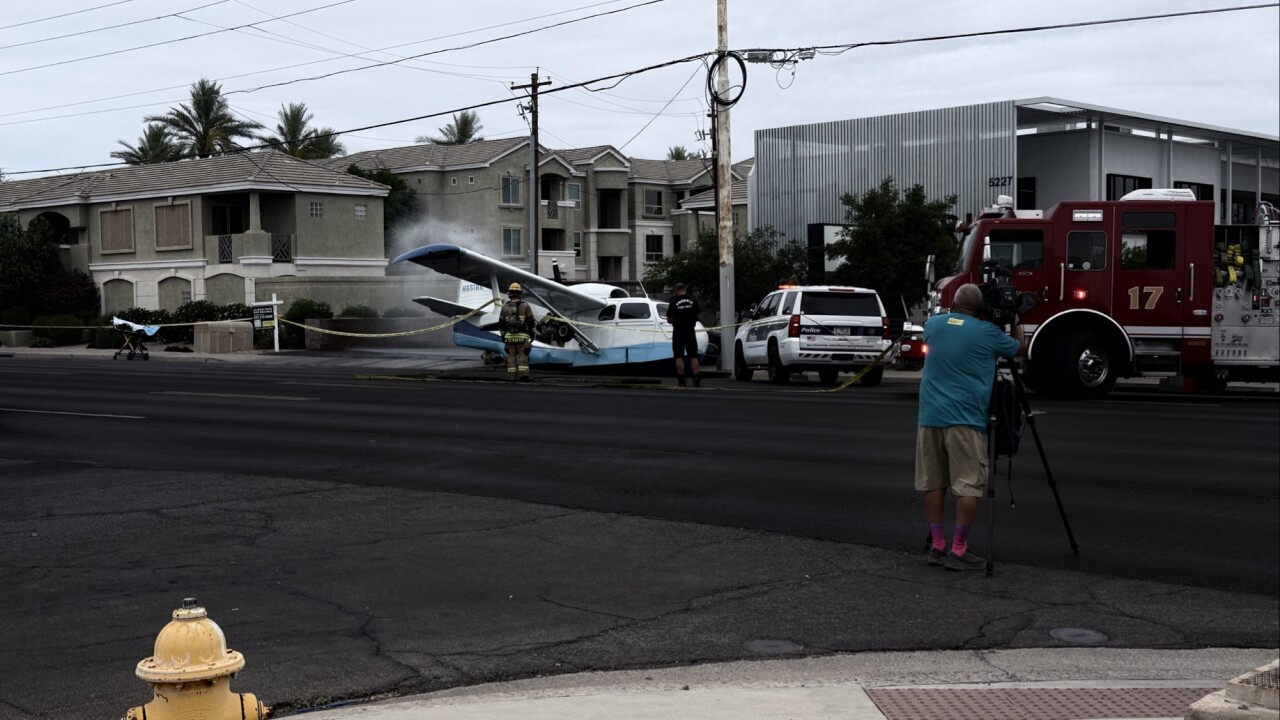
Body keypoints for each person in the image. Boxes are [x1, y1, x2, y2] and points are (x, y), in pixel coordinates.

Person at [915, 283, 1025, 571]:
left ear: (954, 304)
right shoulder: (988, 333)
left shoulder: (933, 325)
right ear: (980, 309)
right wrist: (1014, 320)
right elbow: (1018, 348)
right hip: (965, 420)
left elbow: (953, 328)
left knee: (933, 483)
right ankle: (959, 550)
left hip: (929, 418)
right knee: (968, 486)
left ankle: (937, 546)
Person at [665, 283, 702, 387]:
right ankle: (696, 379)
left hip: (678, 332)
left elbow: (669, 319)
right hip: (690, 331)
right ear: (685, 289)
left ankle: (681, 380)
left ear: (676, 291)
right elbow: (699, 317)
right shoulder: (693, 301)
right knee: (693, 356)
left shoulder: (673, 302)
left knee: (679, 356)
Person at [499, 282, 535, 381]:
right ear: (520, 293)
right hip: (522, 337)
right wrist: (532, 334)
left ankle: (511, 376)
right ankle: (523, 375)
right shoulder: (525, 306)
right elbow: (531, 322)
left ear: (510, 293)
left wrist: (503, 337)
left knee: (511, 356)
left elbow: (501, 324)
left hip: (509, 337)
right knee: (523, 355)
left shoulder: (505, 307)